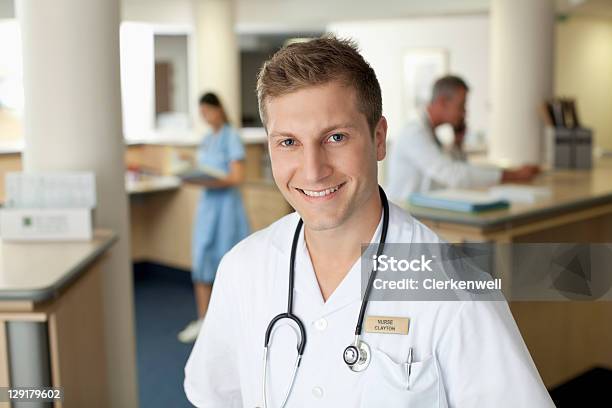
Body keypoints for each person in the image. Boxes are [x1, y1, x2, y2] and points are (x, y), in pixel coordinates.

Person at [184, 38, 554, 407]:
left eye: (336, 137)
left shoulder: (456, 290)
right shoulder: (242, 269)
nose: (313, 171)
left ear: (379, 139)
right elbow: (213, 396)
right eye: (288, 142)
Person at [385, 75, 539, 204]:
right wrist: (513, 175)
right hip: (405, 218)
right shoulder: (414, 133)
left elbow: (458, 171)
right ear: (443, 102)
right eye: (462, 105)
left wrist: (458, 144)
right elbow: (453, 175)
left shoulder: (431, 133)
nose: (464, 113)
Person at [177, 92, 250, 343]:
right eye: (202, 113)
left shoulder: (231, 137)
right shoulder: (207, 139)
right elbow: (203, 170)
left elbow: (237, 177)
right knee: (201, 262)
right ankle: (203, 321)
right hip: (208, 206)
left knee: (228, 263)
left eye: (207, 111)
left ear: (218, 109)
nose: (205, 117)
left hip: (227, 208)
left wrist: (212, 178)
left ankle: (232, 324)